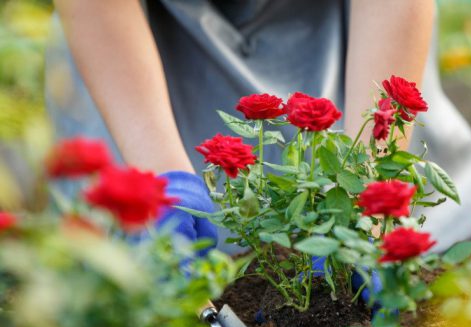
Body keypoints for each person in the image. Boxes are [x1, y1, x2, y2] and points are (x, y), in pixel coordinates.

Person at [47, 0, 435, 253]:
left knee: (417, 244)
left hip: (349, 47)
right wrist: (163, 182)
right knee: (121, 264)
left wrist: (368, 199)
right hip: (136, 58)